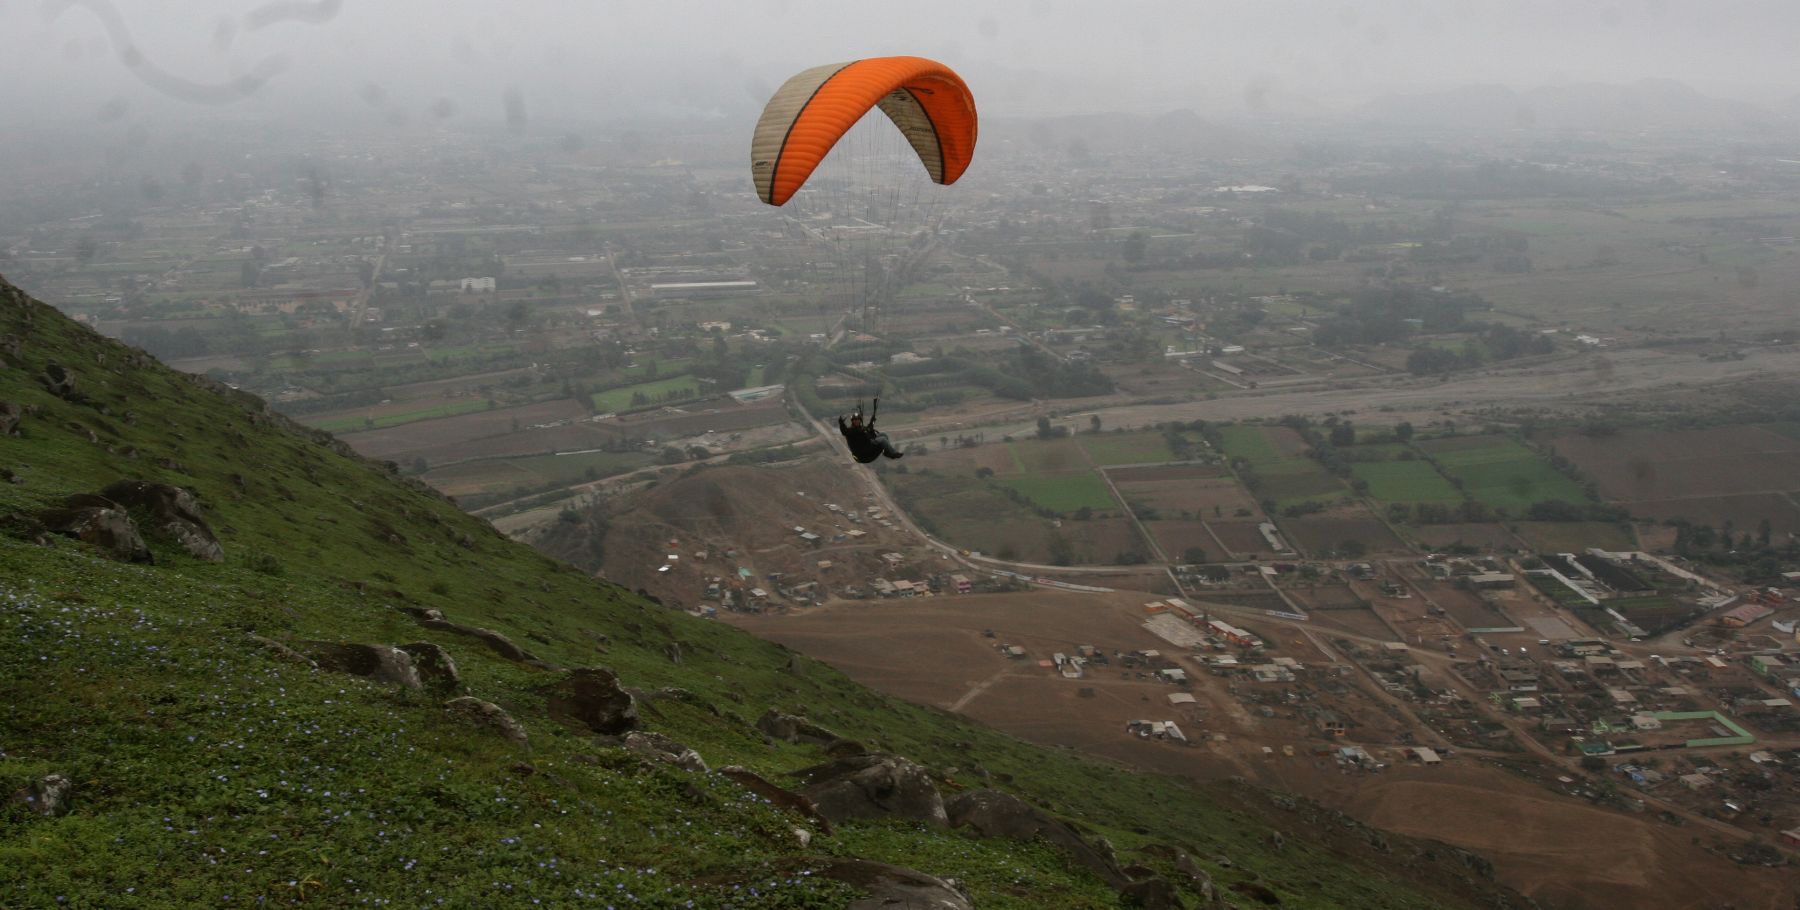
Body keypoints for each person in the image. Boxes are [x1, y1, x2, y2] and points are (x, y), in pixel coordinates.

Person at [838, 399, 903, 463]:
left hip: (867, 448)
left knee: (883, 435)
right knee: (883, 440)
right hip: (862, 455)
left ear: (860, 420)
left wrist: (872, 420)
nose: (856, 421)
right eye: (855, 420)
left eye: (858, 419)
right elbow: (844, 432)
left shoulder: (861, 429)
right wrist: (841, 424)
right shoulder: (851, 431)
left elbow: (869, 429)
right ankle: (893, 454)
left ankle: (886, 452)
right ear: (852, 421)